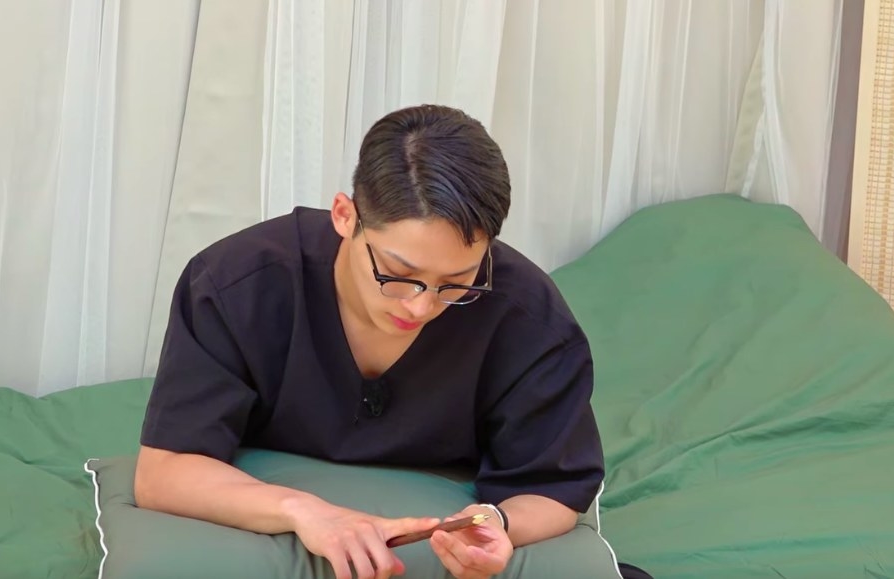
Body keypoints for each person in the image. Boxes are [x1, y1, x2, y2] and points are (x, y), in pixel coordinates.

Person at [134, 104, 606, 579]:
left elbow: (554, 485)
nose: (421, 307)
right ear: (345, 216)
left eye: (457, 281)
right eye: (398, 275)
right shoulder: (238, 283)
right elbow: (165, 471)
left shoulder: (528, 318)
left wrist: (497, 523)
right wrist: (304, 512)